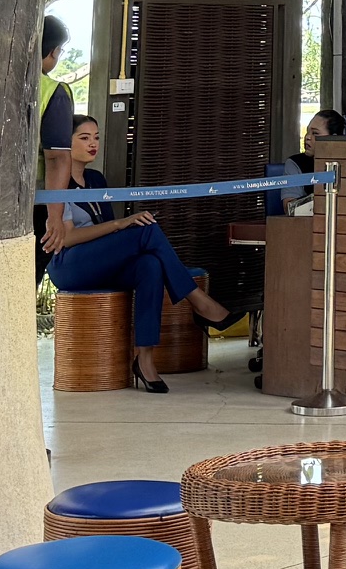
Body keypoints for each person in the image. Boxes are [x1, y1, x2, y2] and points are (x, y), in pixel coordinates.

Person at [45, 114, 234, 391]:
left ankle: (145, 361)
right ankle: (199, 301)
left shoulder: (96, 180)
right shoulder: (57, 183)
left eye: (96, 137)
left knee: (150, 265)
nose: (93, 144)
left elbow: (107, 234)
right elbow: (68, 237)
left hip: (99, 261)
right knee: (146, 229)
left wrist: (121, 228)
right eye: (84, 138)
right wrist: (120, 224)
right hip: (69, 264)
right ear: (67, 143)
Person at [39, 13, 77, 193]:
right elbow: (57, 157)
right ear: (54, 51)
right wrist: (55, 209)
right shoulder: (54, 92)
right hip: (33, 193)